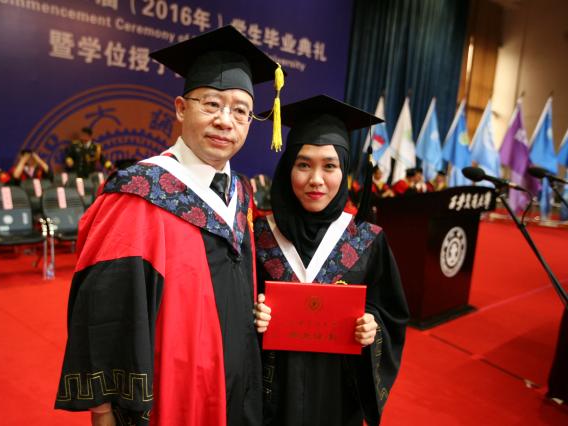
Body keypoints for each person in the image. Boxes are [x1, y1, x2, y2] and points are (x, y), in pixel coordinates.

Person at [55, 25, 284, 426]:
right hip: (174, 393)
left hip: (239, 386)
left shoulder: (241, 194)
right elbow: (105, 312)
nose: (225, 121)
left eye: (240, 111)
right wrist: (103, 410)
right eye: (211, 104)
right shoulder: (138, 193)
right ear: (181, 108)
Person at [253, 95, 409, 426]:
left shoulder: (366, 240)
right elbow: (228, 311)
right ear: (287, 168)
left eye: (329, 166)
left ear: (344, 170)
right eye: (303, 164)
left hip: (336, 397)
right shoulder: (259, 235)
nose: (316, 180)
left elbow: (391, 312)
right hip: (271, 397)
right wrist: (253, 313)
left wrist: (372, 325)